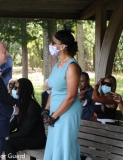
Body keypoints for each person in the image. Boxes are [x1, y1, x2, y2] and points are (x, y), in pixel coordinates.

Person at [41, 27, 82, 160]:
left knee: (65, 145)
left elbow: (70, 97)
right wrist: (46, 110)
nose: (51, 45)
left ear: (63, 46)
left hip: (67, 113)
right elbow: (54, 90)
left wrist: (54, 116)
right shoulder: (57, 64)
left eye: (54, 43)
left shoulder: (72, 66)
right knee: (55, 144)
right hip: (55, 112)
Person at [4, 78, 46, 160]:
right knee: (3, 141)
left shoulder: (32, 106)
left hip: (35, 139)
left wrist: (10, 136)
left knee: (8, 143)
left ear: (23, 90)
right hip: (25, 136)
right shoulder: (20, 103)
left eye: (17, 88)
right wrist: (4, 132)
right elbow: (14, 122)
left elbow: (27, 130)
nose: (14, 90)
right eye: (14, 87)